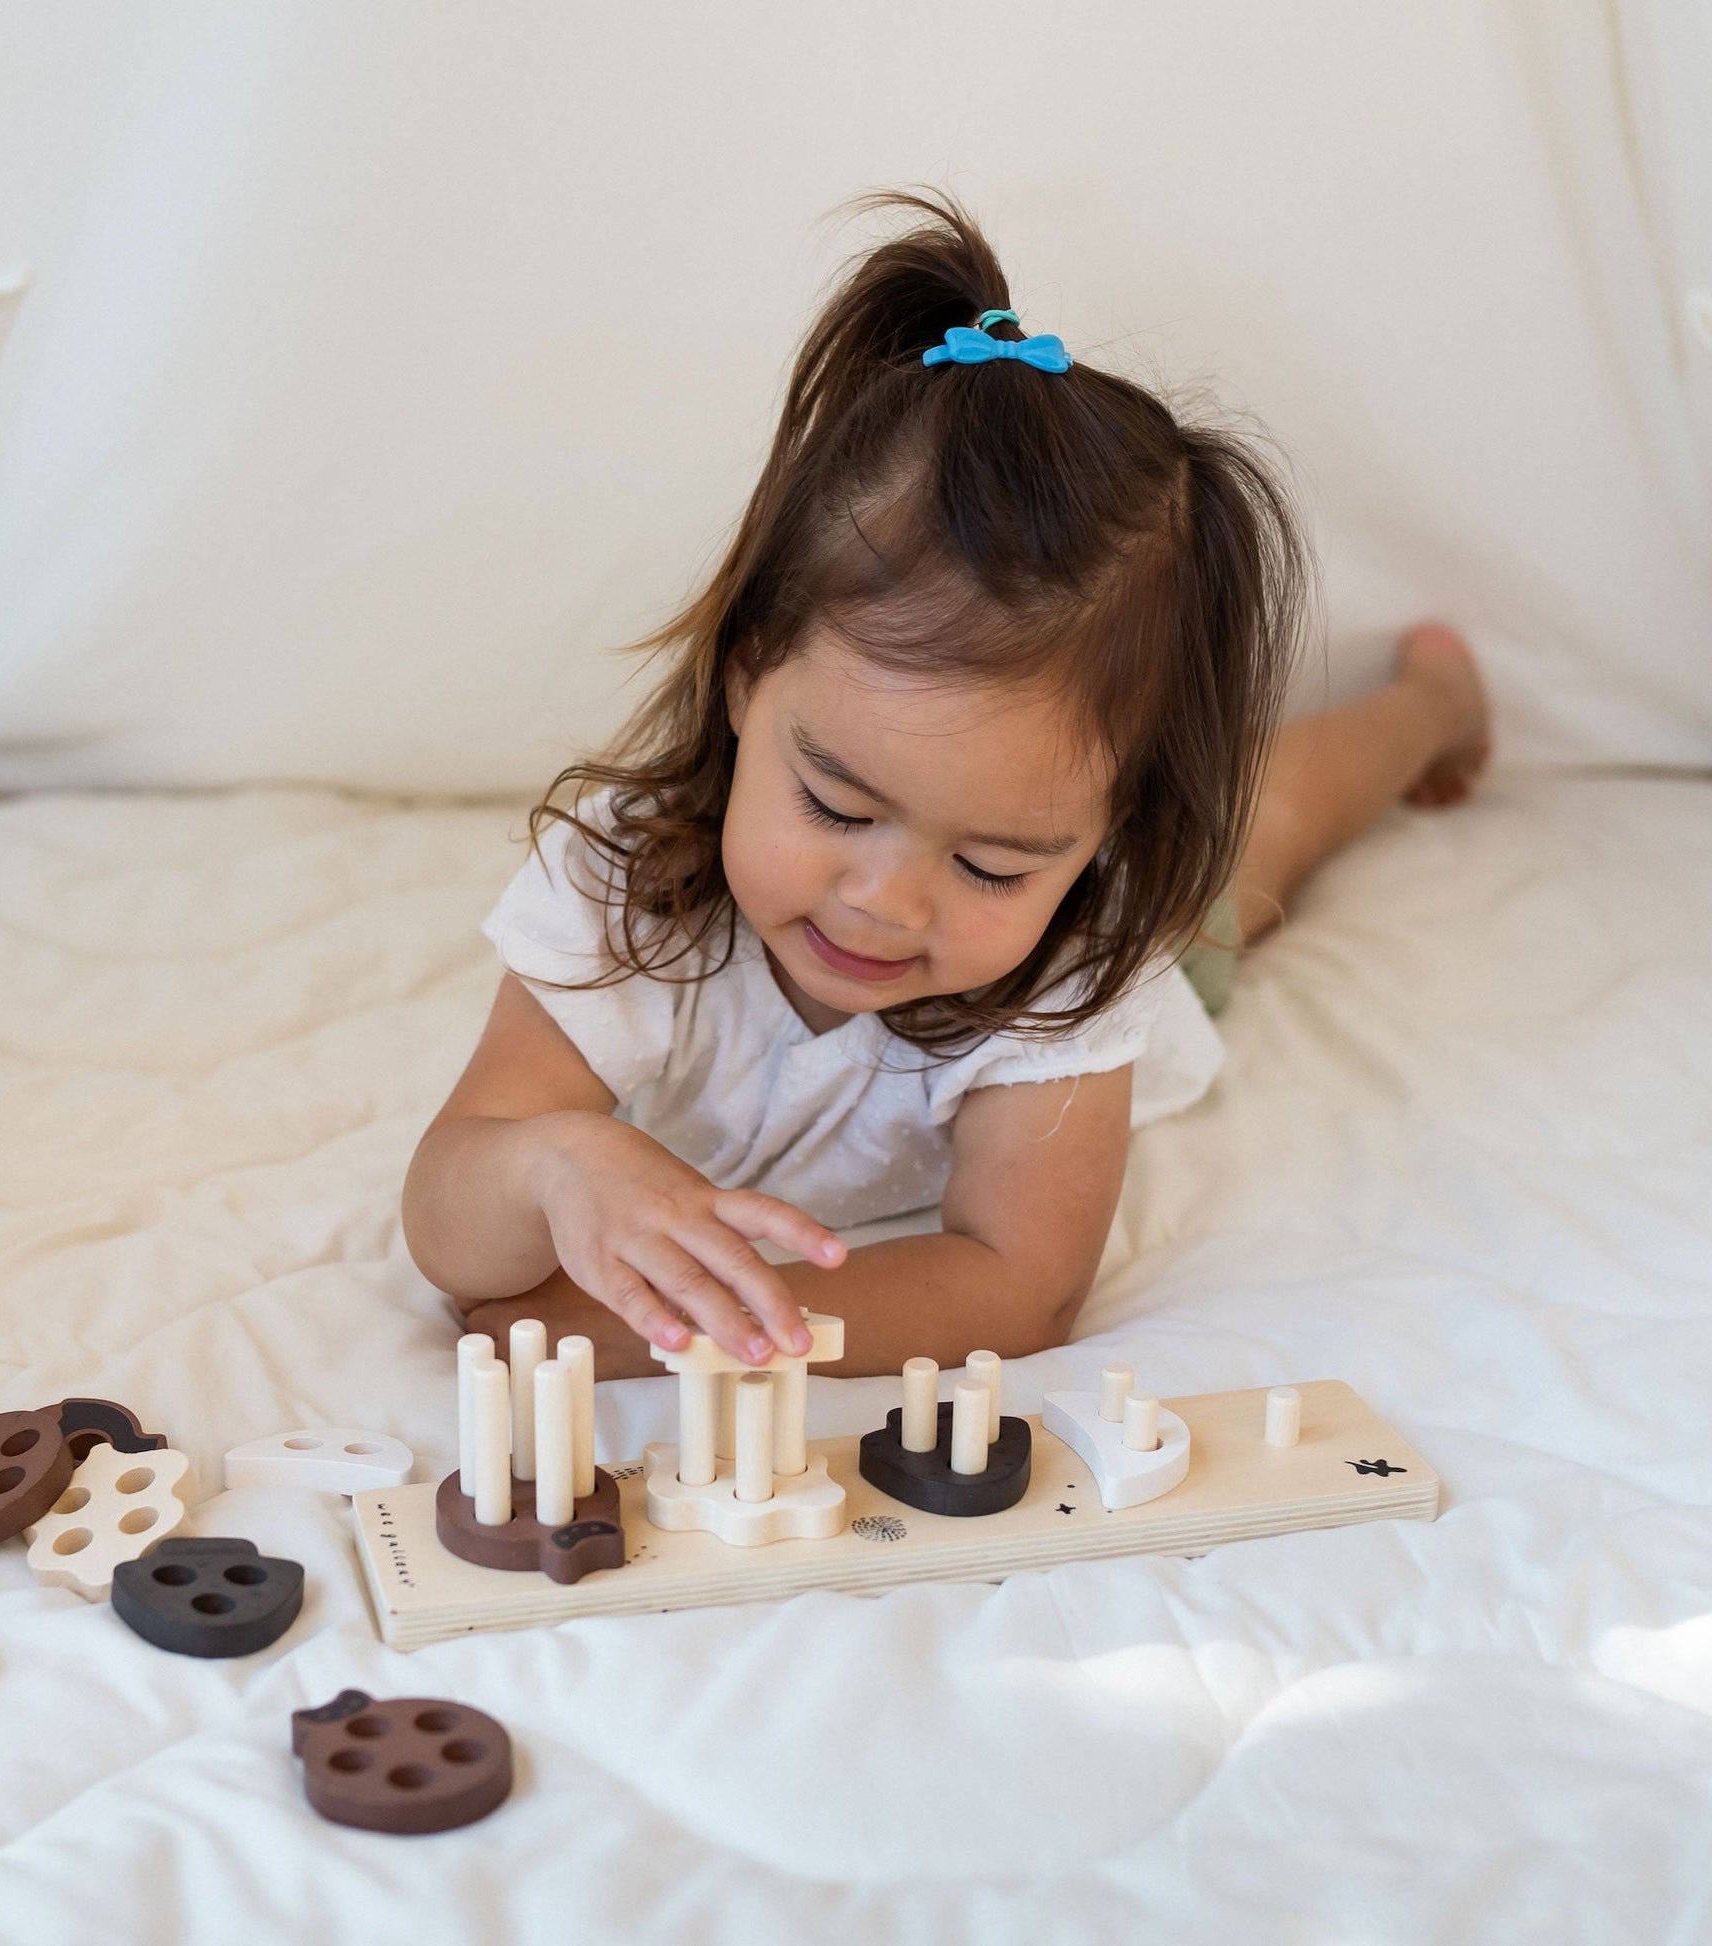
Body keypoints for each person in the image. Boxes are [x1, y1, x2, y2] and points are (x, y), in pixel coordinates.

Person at [402, 191, 1489, 1380]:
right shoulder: (626, 888)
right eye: (833, 805)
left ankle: (1430, 706)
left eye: (988, 862)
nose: (883, 902)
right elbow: (451, 1213)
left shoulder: (1069, 967)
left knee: (1264, 836)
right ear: (743, 674)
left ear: (1106, 831)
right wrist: (550, 1161)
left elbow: (1015, 1283)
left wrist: (655, 1331)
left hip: (1152, 922)